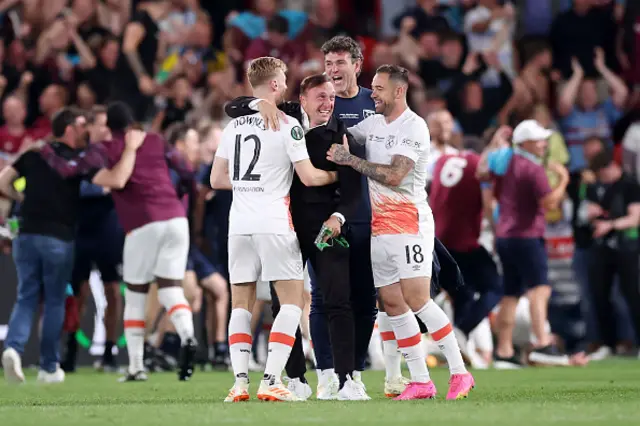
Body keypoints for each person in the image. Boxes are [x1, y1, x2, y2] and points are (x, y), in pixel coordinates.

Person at [225, 35, 381, 399]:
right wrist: (257, 101)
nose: (328, 103)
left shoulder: (344, 139)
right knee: (286, 303)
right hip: (289, 227)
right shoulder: (286, 120)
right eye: (320, 97)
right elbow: (234, 107)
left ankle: (345, 378)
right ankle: (295, 378)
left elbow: (356, 190)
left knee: (336, 298)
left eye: (331, 97)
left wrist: (339, 215)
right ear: (303, 101)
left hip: (327, 228)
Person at [328, 64, 474, 401]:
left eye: (378, 88)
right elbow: (345, 133)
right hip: (381, 226)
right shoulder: (374, 123)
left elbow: (394, 175)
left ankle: (460, 372)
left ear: (398, 91)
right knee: (392, 303)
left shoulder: (414, 126)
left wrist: (350, 160)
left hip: (410, 223)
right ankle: (420, 380)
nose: (372, 94)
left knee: (418, 299)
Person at [37, 102, 199, 383]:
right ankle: (188, 336)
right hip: (176, 218)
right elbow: (185, 171)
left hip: (142, 224)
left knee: (135, 295)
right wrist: (177, 193)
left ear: (108, 127)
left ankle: (136, 366)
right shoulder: (156, 140)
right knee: (171, 288)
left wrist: (44, 151)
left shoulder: (105, 149)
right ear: (132, 122)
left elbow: (71, 168)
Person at [209, 57, 336, 403]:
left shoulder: (231, 128)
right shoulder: (288, 124)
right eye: (284, 79)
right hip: (275, 223)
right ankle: (271, 378)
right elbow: (309, 177)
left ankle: (238, 384)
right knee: (293, 301)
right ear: (277, 85)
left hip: (239, 224)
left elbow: (216, 179)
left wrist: (249, 187)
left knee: (241, 305)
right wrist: (339, 175)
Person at [0, 107, 144, 384]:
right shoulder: (78, 162)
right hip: (59, 238)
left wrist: (21, 199)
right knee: (54, 301)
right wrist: (131, 150)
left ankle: (14, 349)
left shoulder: (34, 153)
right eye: (81, 125)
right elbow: (116, 180)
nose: (85, 130)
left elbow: (3, 182)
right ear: (68, 128)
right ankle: (49, 367)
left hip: (27, 236)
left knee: (26, 297)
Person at [477, 119, 570, 368]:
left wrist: (495, 143)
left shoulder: (504, 161)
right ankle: (542, 344)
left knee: (511, 294)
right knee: (540, 289)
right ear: (526, 142)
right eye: (539, 140)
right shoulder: (532, 168)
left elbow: (482, 172)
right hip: (527, 236)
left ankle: (504, 353)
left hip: (505, 236)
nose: (543, 144)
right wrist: (563, 180)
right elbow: (549, 204)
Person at [61, 106, 125, 374]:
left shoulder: (116, 155)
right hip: (81, 227)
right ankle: (71, 349)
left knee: (112, 289)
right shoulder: (80, 156)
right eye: (100, 125)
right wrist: (103, 186)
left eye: (107, 126)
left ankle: (110, 352)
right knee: (79, 293)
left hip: (109, 227)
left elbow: (121, 184)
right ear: (90, 127)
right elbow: (80, 188)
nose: (105, 130)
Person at [429, 145, 502, 340]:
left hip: (437, 240)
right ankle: (461, 331)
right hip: (464, 242)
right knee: (495, 287)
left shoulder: (442, 161)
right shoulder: (478, 165)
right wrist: (496, 232)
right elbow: (488, 204)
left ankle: (458, 344)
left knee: (463, 294)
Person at [585, 149, 640, 354]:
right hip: (602, 248)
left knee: (632, 295)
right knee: (599, 295)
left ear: (611, 167)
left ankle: (637, 342)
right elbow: (589, 211)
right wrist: (592, 214)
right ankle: (607, 343)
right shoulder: (598, 187)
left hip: (628, 247)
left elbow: (635, 218)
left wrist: (611, 225)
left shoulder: (630, 185)